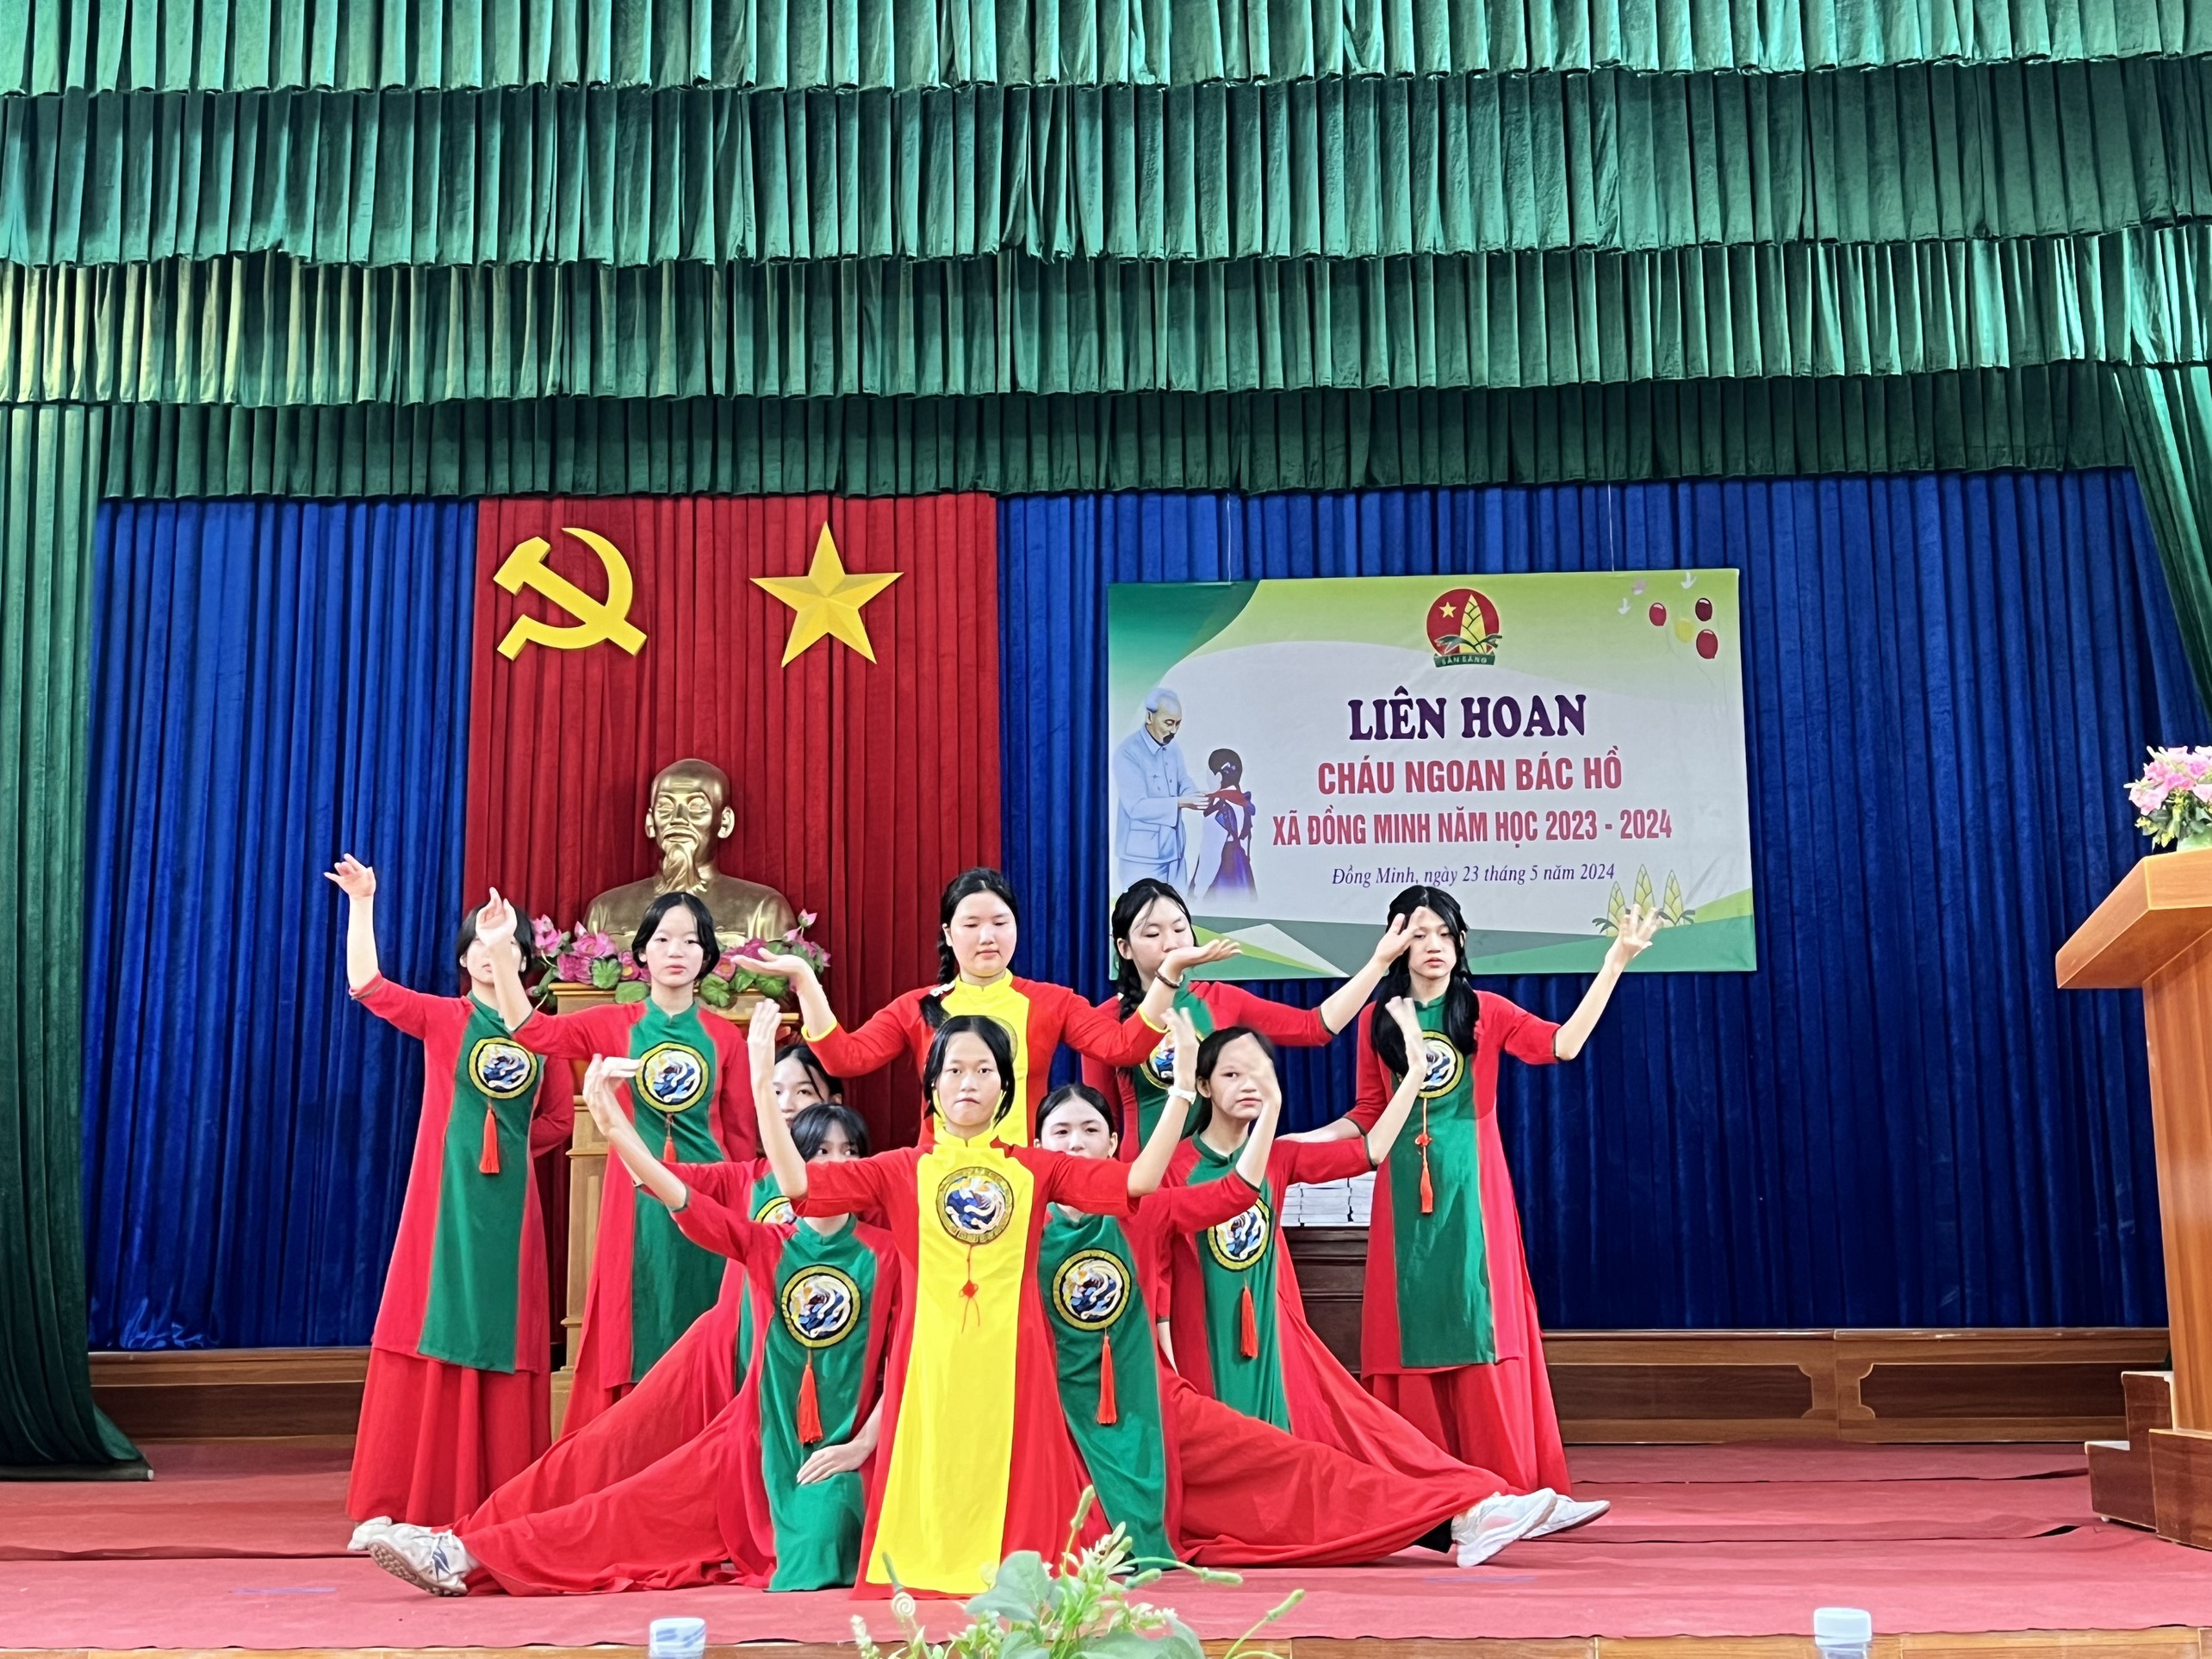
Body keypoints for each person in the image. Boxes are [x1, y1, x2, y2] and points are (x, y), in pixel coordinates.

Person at [368, 1034, 896, 1596]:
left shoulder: (883, 1240)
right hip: (737, 1378)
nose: (790, 1107)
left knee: (712, 1517)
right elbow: (673, 1192)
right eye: (777, 1092)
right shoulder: (756, 1209)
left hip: (814, 1417)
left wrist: (864, 1441)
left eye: (805, 1093)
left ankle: (471, 1550)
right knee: (604, 1466)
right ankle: (461, 1542)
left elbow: (906, 1356)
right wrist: (614, 1123)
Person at [1034, 1080, 1556, 1569]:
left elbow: (1232, 1194)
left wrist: (1256, 1114)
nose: (1076, 1143)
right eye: (1061, 1132)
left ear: (1115, 1143)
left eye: (1090, 1130)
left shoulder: (1144, 1211)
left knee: (1293, 1467)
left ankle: (1464, 1515)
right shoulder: (1023, 1231)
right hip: (1058, 1418)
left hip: (1154, 1403)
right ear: (1037, 1144)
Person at [759, 1012, 1196, 1597]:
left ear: (1006, 1085)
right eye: (955, 1069)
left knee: (1020, 1499)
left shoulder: (1036, 1167)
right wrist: (762, 1086)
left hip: (1015, 1358)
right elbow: (799, 1187)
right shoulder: (901, 1169)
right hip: (930, 1360)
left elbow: (1137, 1180)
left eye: (984, 1070)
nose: (969, 1082)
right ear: (933, 1084)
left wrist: (1182, 1088)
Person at [1159, 1022, 1605, 1538]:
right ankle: (1464, 1516)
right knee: (1284, 1467)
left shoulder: (1277, 1158)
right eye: (1231, 1074)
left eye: (1259, 1072)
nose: (1248, 1085)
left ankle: (1486, 1501)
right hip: (1202, 1351)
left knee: (1374, 1438)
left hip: (1277, 1349)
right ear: (1204, 1085)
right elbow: (1158, 1273)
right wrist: (1169, 1369)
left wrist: (1413, 1076)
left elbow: (1370, 1151)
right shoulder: (1173, 1169)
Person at [1302, 885, 1656, 1494]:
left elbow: (1563, 1045)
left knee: (1480, 1319)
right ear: (1396, 945)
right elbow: (1366, 1114)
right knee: (1410, 1326)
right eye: (1418, 934)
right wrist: (1294, 1142)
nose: (1433, 945)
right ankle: (1422, 1490)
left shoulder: (1484, 1010)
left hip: (1474, 1194)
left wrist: (1615, 962)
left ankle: (1504, 1486)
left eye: (1444, 933)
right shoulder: (1378, 1020)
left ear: (1461, 941)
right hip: (1403, 1195)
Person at [326, 856, 571, 1530]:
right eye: (481, 945)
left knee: (504, 1332)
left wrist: (505, 1146)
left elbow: (558, 1121)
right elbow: (367, 984)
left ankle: (496, 1504)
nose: (493, 955)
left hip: (511, 1213)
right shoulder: (443, 1017)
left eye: (508, 944)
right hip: (442, 1202)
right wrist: (363, 902)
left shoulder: (545, 1038)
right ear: (465, 959)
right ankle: (391, 1504)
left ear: (525, 960)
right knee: (424, 1320)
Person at [475, 888, 757, 1434]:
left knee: (705, 1320)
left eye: (691, 941)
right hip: (636, 1200)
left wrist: (740, 1219)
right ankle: (633, 1442)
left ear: (706, 956)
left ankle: (704, 1441)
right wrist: (502, 952)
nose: (676, 951)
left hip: (707, 1202)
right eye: (664, 939)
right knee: (637, 1317)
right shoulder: (611, 1023)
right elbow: (531, 1031)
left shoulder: (726, 1038)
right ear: (643, 951)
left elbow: (742, 1141)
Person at [743, 867, 1217, 1142]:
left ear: (1016, 928)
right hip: (938, 1175)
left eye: (1000, 922)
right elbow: (844, 1058)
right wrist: (806, 981)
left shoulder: (1051, 1002)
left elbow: (1125, 1047)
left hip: (1025, 1176)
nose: (987, 936)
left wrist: (1169, 972)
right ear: (949, 934)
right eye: (971, 925)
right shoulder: (917, 1007)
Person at [1084, 880, 1411, 1158]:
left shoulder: (1221, 1000)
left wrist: (1380, 962)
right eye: (1152, 934)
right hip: (1145, 1183)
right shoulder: (1103, 1021)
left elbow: (1315, 1027)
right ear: (1124, 948)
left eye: (1180, 929)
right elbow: (1101, 1121)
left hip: (1222, 1178)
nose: (1171, 943)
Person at [1113, 687, 1203, 889]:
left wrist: (1195, 795)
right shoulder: (1128, 752)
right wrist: (1181, 802)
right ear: (1149, 717)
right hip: (1142, 859)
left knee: (1180, 906)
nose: (1174, 731)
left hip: (1175, 852)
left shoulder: (1173, 748)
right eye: (1169, 723)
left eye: (1178, 724)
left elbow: (1182, 780)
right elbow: (1136, 806)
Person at [1190, 749, 1256, 900]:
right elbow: (1246, 844)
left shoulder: (1218, 810)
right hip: (1242, 875)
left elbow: (1210, 858)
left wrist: (1197, 893)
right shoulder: (1243, 804)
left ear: (1218, 776)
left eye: (1209, 775)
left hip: (1223, 877)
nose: (1208, 780)